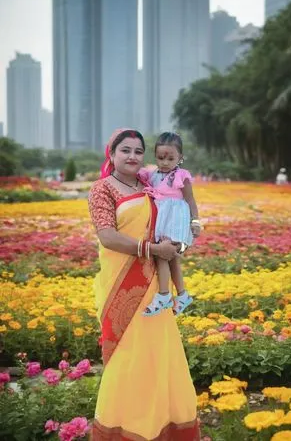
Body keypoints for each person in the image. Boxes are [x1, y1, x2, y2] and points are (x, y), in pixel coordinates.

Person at [88, 128, 199, 441]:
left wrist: (184, 236)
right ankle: (127, 429)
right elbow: (107, 237)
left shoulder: (149, 183)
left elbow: (172, 213)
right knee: (129, 358)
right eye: (125, 150)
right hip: (122, 285)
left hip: (154, 285)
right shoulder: (102, 189)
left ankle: (163, 425)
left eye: (138, 151)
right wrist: (152, 250)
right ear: (112, 154)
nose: (133, 157)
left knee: (158, 354)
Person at [139, 132, 201, 316]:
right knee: (172, 257)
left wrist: (195, 221)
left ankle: (164, 295)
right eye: (160, 158)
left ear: (180, 158)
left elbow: (190, 200)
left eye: (170, 158)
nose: (165, 162)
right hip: (161, 218)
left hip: (174, 220)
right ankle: (182, 295)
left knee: (162, 255)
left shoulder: (181, 175)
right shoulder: (153, 174)